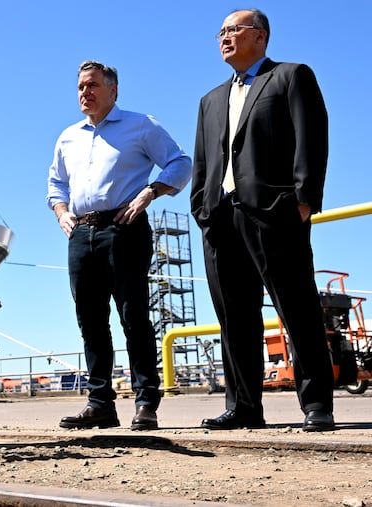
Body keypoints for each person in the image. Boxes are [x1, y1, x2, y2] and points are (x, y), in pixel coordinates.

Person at [191, 9, 335, 432]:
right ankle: (244, 407)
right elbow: (204, 162)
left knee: (298, 309)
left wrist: (304, 201)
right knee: (234, 318)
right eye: (220, 31)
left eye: (232, 30)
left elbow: (312, 137)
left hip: (276, 214)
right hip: (221, 219)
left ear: (260, 35)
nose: (223, 37)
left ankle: (316, 406)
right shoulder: (210, 100)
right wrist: (203, 210)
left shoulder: (290, 76)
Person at [47, 61, 191, 431]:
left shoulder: (141, 125)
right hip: (80, 233)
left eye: (93, 85)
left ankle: (146, 402)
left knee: (133, 316)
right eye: (80, 86)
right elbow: (55, 184)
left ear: (113, 90)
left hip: (124, 228)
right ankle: (100, 405)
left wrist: (150, 192)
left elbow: (180, 162)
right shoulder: (68, 137)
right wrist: (62, 211)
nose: (85, 92)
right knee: (90, 322)